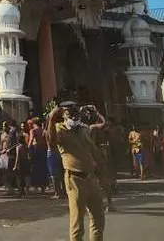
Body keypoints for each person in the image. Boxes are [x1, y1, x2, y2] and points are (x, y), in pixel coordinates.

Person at [47, 102, 106, 241]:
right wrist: (50, 119)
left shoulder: (84, 129)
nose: (73, 116)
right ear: (63, 115)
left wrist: (103, 172)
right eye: (69, 113)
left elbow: (93, 150)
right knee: (77, 223)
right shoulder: (59, 129)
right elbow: (51, 143)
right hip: (74, 178)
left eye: (75, 112)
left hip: (91, 178)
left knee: (98, 218)